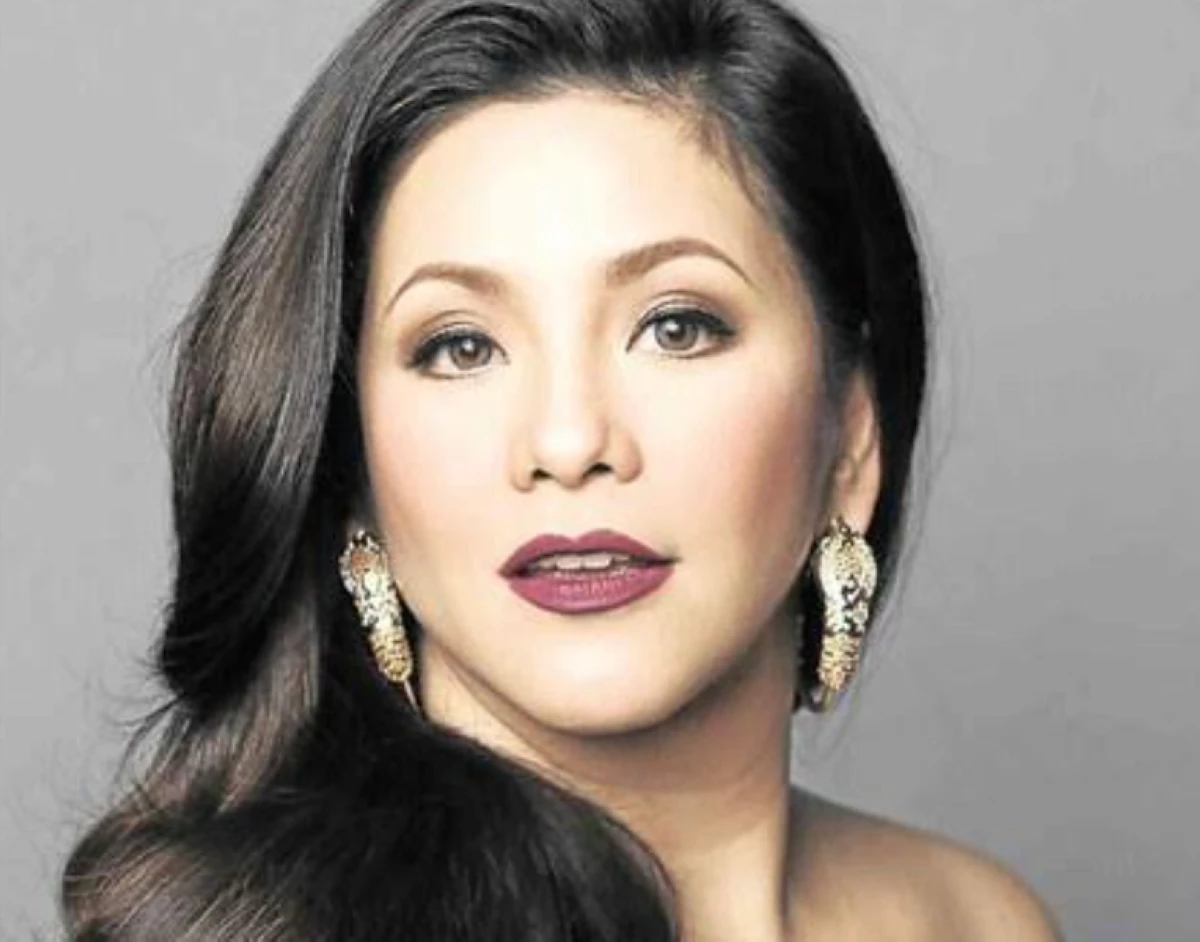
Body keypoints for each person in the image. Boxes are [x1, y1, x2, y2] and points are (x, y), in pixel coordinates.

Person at [60, 0, 1061, 938]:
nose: (569, 441)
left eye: (676, 327)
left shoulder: (971, 920)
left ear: (850, 438)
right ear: (354, 465)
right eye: (460, 346)